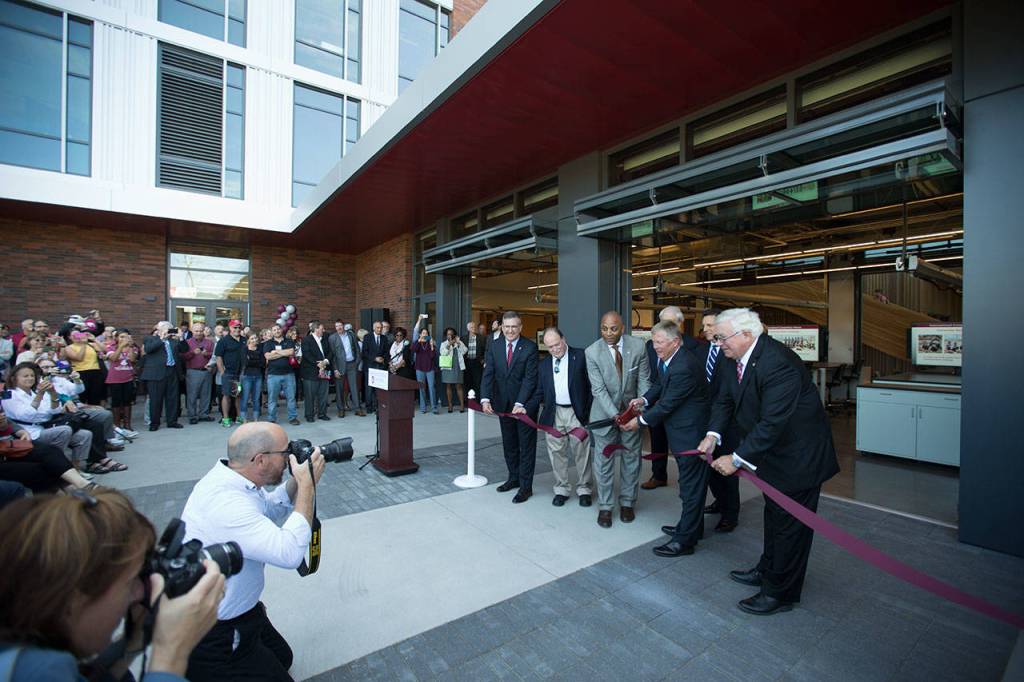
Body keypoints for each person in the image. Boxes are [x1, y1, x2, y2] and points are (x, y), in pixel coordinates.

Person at [698, 308, 840, 615]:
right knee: (775, 518)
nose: (717, 342)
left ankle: (780, 593)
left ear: (747, 335)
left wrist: (736, 459)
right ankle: (768, 569)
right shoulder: (732, 357)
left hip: (799, 458)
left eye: (722, 337)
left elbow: (772, 423)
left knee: (791, 527)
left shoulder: (779, 363)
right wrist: (713, 435)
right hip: (773, 456)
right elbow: (724, 398)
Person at [0, 488, 224, 682]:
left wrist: (132, 643)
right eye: (130, 582)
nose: (139, 592)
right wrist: (171, 653)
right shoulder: (36, 671)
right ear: (73, 597)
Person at [180, 422, 325, 681]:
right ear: (260, 460)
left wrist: (298, 480)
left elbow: (270, 508)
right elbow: (290, 553)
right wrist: (306, 487)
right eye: (285, 453)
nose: (289, 458)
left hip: (244, 612)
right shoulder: (226, 503)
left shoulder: (235, 479)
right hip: (215, 634)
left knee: (283, 657)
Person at [623, 321, 709, 557]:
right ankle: (691, 528)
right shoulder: (671, 360)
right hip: (682, 433)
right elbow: (660, 386)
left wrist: (639, 422)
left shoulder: (684, 366)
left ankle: (684, 541)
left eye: (660, 342)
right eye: (653, 342)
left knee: (691, 488)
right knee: (689, 486)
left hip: (691, 436)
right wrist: (644, 400)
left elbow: (668, 404)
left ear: (675, 342)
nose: (655, 347)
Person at [585, 311, 650, 527]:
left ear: (622, 328)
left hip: (632, 415)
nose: (608, 333)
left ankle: (627, 503)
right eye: (604, 328)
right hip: (605, 416)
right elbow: (598, 389)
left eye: (613, 328)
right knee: (603, 462)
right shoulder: (592, 352)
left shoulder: (638, 346)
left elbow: (644, 380)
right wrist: (616, 415)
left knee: (631, 460)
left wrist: (639, 405)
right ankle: (605, 507)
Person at [480, 311, 539, 503]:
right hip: (503, 405)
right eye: (507, 327)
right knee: (509, 444)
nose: (510, 330)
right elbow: (488, 373)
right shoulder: (494, 346)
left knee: (526, 446)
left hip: (524, 407)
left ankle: (525, 487)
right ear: (501, 327)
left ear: (520, 327)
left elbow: (530, 379)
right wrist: (485, 398)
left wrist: (520, 403)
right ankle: (513, 478)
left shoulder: (530, 347)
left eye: (514, 326)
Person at [641, 306, 702, 491]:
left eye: (671, 323)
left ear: (680, 324)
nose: (665, 327)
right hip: (657, 403)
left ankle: (689, 488)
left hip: (681, 409)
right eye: (662, 323)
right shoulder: (652, 346)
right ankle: (659, 475)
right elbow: (657, 378)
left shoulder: (694, 347)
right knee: (658, 441)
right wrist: (645, 400)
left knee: (682, 450)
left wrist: (640, 420)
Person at [530, 327, 592, 507]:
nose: (555, 349)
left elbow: (591, 387)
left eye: (557, 344)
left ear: (564, 339)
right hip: (553, 414)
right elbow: (539, 392)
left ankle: (584, 489)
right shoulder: (544, 365)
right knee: (556, 453)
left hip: (576, 413)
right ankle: (561, 489)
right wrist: (524, 408)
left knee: (582, 452)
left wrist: (587, 413)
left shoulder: (580, 356)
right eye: (550, 347)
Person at [3, 362, 94, 475]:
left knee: (84, 435)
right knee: (64, 431)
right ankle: (59, 468)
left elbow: (53, 411)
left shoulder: (33, 392)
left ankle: (76, 469)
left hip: (44, 425)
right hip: (29, 432)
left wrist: (53, 394)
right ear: (14, 379)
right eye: (25, 376)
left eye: (32, 375)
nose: (30, 378)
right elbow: (27, 415)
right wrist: (40, 395)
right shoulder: (10, 395)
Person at [699, 308, 740, 533]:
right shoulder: (701, 350)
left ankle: (730, 514)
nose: (704, 329)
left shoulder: (731, 355)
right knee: (711, 467)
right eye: (704, 326)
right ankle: (719, 501)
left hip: (728, 423)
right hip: (705, 422)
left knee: (727, 472)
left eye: (709, 325)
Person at [0, 410, 93, 491]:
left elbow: (9, 423)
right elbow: (30, 415)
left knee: (50, 451)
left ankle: (81, 484)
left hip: (10, 447)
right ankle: (62, 497)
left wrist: (22, 432)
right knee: (37, 470)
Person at [142, 321, 183, 431]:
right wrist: (162, 339)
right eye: (165, 328)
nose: (168, 331)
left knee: (172, 399)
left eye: (169, 328)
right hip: (156, 374)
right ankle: (154, 423)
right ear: (158, 329)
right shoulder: (150, 339)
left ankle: (172, 421)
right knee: (155, 399)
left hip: (172, 372)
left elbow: (185, 350)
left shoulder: (173, 341)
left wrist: (181, 338)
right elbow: (148, 349)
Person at [104, 328, 141, 436]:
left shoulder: (133, 347)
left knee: (127, 401)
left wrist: (129, 347)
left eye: (126, 336)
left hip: (128, 378)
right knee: (116, 402)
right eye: (121, 337)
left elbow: (133, 359)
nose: (124, 339)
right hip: (115, 379)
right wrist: (120, 347)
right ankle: (117, 425)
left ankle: (127, 424)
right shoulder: (111, 347)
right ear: (116, 338)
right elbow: (114, 358)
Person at [263, 324, 300, 426]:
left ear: (281, 330)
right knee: (272, 398)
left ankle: (293, 418)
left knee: (291, 397)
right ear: (272, 332)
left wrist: (276, 352)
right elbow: (268, 356)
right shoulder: (268, 343)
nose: (277, 331)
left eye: (278, 329)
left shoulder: (289, 341)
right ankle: (272, 419)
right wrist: (283, 353)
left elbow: (291, 352)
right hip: (273, 375)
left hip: (288, 374)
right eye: (274, 330)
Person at [64, 328, 108, 408]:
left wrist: (94, 339)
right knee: (82, 396)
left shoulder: (91, 345)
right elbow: (78, 358)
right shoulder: (69, 348)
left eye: (79, 334)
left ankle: (96, 414)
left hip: (95, 371)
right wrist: (83, 344)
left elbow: (105, 350)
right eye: (74, 335)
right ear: (70, 337)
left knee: (95, 396)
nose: (77, 337)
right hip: (80, 372)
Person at [328, 319, 364, 417]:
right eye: (336, 326)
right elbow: (332, 355)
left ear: (343, 326)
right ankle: (341, 409)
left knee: (354, 387)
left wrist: (357, 362)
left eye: (340, 325)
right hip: (339, 366)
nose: (339, 328)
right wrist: (335, 369)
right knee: (339, 389)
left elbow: (356, 349)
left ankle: (358, 408)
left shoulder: (351, 335)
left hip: (352, 364)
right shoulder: (332, 338)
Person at [183, 322, 215, 425]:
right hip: (193, 371)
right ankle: (192, 415)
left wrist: (207, 354)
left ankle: (203, 414)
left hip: (206, 371)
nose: (199, 333)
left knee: (206, 394)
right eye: (196, 331)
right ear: (192, 331)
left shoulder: (209, 342)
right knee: (192, 395)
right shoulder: (187, 342)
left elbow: (214, 356)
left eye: (201, 331)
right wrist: (192, 353)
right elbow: (183, 357)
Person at [215, 321, 245, 428]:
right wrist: (222, 372)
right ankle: (226, 419)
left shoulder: (244, 340)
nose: (237, 329)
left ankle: (238, 417)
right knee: (226, 395)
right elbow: (218, 357)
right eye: (235, 327)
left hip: (240, 373)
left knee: (237, 395)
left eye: (239, 327)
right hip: (228, 373)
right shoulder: (223, 341)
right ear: (230, 328)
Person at [300, 320, 331, 423]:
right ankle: (309, 415)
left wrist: (325, 361)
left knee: (323, 393)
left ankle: (322, 413)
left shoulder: (325, 339)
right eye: (322, 328)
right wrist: (317, 364)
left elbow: (330, 352)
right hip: (311, 372)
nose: (324, 330)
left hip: (325, 370)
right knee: (310, 395)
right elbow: (307, 354)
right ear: (316, 329)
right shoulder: (306, 340)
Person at [361, 321, 389, 413]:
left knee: (379, 388)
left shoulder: (384, 338)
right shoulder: (367, 337)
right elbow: (364, 352)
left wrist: (383, 358)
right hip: (370, 366)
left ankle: (378, 407)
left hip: (381, 366)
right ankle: (369, 407)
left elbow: (387, 352)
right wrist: (374, 358)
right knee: (369, 388)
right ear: (373, 328)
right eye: (377, 328)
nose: (379, 329)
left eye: (381, 328)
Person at [439, 327, 468, 412]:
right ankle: (450, 405)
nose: (450, 335)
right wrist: (449, 345)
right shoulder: (444, 344)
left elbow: (465, 351)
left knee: (458, 386)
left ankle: (462, 405)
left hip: (457, 366)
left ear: (454, 335)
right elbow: (443, 353)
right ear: (446, 335)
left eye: (451, 334)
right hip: (448, 367)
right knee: (448, 386)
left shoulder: (458, 342)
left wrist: (458, 343)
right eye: (448, 334)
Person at [411, 326, 438, 413]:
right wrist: (419, 341)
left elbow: (432, 356)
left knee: (431, 387)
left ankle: (434, 407)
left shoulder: (430, 343)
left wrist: (432, 346)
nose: (424, 335)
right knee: (421, 388)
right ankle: (423, 407)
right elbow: (413, 349)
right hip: (419, 368)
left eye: (426, 333)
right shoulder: (417, 342)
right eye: (423, 333)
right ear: (420, 334)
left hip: (430, 367)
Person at [240, 334, 265, 423]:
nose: (254, 339)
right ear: (249, 340)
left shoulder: (260, 349)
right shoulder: (245, 349)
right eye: (252, 338)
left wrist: (251, 359)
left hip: (258, 375)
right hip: (247, 376)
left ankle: (256, 418)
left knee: (256, 398)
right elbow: (245, 362)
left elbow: (262, 363)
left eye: (255, 338)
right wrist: (256, 360)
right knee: (245, 398)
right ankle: (244, 418)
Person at [463, 322, 485, 397]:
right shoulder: (464, 338)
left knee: (477, 382)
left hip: (477, 362)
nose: (474, 328)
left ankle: (478, 400)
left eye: (474, 327)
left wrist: (483, 359)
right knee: (468, 382)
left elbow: (485, 350)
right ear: (468, 329)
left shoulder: (481, 338)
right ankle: (468, 400)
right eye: (471, 327)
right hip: (467, 362)